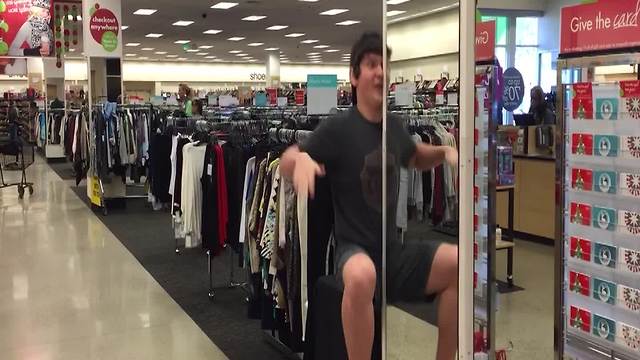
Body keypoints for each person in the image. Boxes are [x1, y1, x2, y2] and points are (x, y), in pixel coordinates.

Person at [280, 32, 459, 360]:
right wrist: (300, 160)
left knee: (458, 264)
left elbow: (414, 155)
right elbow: (287, 159)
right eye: (371, 64)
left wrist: (444, 152)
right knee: (363, 276)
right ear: (354, 74)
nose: (380, 72)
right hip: (353, 253)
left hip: (393, 254)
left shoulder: (393, 126)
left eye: (384, 65)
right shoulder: (337, 128)